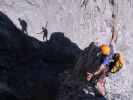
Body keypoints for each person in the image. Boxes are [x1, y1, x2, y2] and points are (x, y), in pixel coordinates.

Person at [86, 14, 118, 96]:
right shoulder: (108, 55)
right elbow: (101, 69)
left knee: (113, 39)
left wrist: (93, 75)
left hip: (107, 64)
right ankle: (102, 92)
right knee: (113, 39)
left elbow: (100, 69)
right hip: (108, 64)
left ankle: (102, 92)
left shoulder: (106, 57)